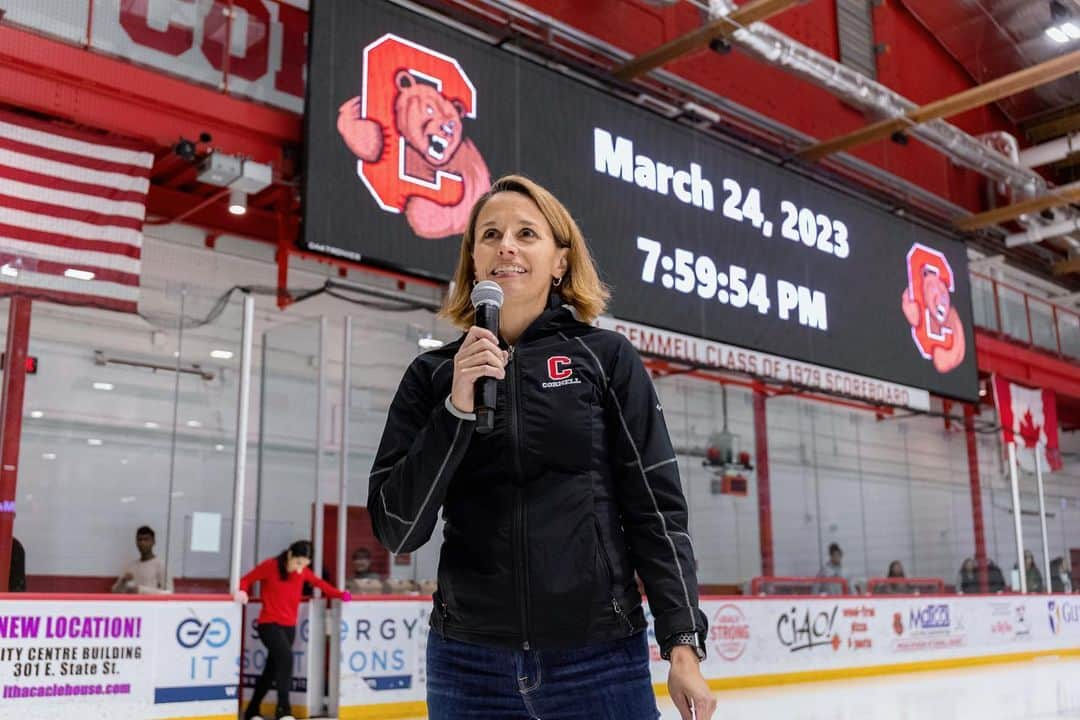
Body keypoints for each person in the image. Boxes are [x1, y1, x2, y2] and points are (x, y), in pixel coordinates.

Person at [369, 175, 714, 720]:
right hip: (468, 666)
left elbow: (656, 512)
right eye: (490, 234)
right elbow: (398, 529)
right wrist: (457, 409)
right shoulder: (432, 375)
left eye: (526, 233)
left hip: (598, 658)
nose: (505, 244)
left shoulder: (607, 358)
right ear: (474, 262)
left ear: (560, 261)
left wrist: (683, 643)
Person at [236, 540, 350, 720]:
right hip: (269, 624)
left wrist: (341, 594)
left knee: (271, 670)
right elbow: (246, 579)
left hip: (289, 626)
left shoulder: (302, 571)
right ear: (289, 554)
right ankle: (284, 710)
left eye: (304, 565)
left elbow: (321, 584)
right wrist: (243, 591)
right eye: (298, 563)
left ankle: (251, 711)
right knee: (287, 658)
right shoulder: (270, 566)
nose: (299, 569)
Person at [112, 526, 171, 594]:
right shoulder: (131, 566)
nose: (142, 543)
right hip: (133, 604)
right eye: (140, 539)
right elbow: (115, 592)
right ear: (136, 542)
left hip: (151, 604)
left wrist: (141, 590)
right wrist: (123, 581)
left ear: (153, 542)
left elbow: (169, 593)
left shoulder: (160, 565)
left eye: (146, 539)